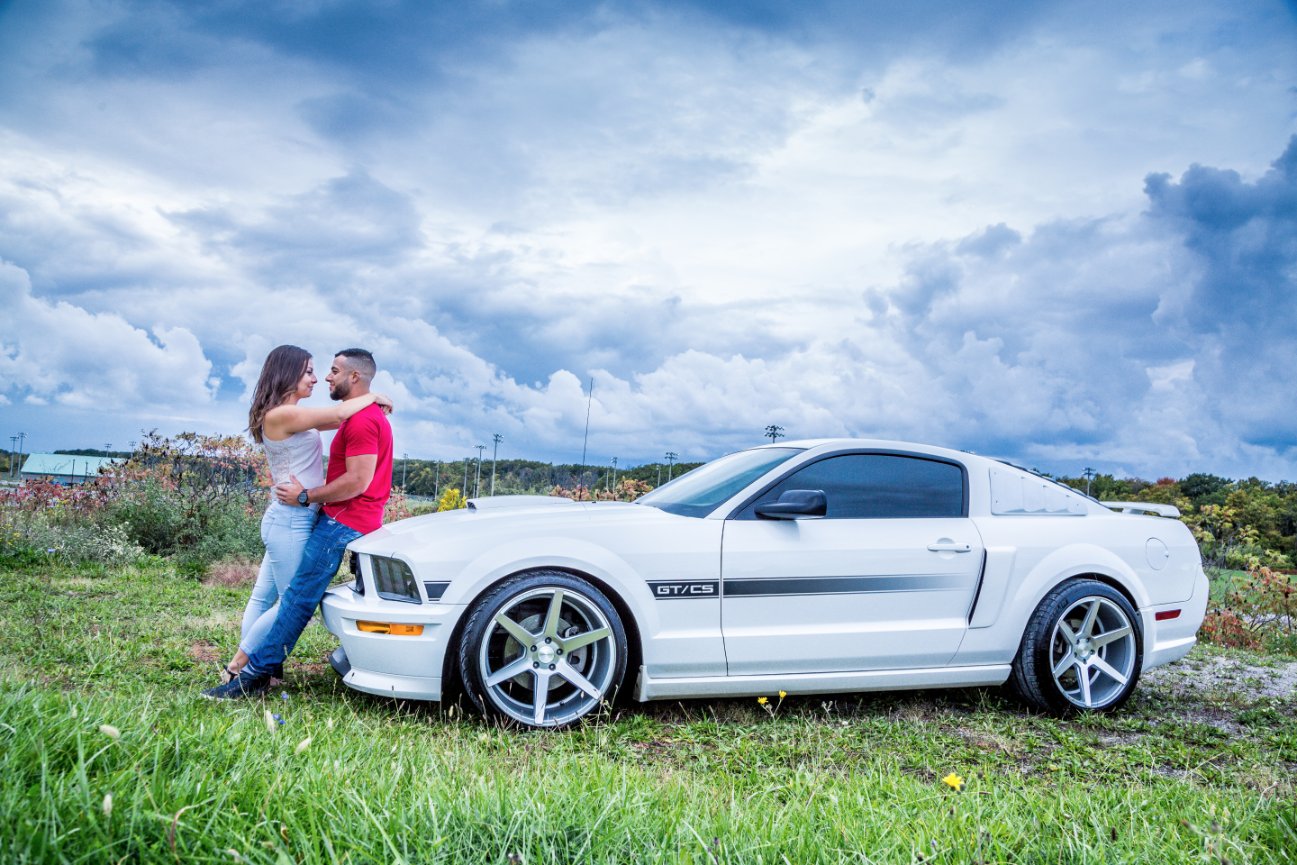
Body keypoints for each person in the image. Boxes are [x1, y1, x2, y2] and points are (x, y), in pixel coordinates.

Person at [204, 348, 394, 699]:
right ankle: (241, 668)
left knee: (265, 598)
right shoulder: (282, 414)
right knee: (289, 602)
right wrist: (373, 395)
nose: (317, 377)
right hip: (291, 517)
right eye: (308, 371)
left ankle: (262, 669)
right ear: (288, 374)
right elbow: (340, 413)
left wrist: (368, 400)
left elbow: (341, 418)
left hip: (294, 515)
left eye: (325, 370)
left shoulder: (298, 413)